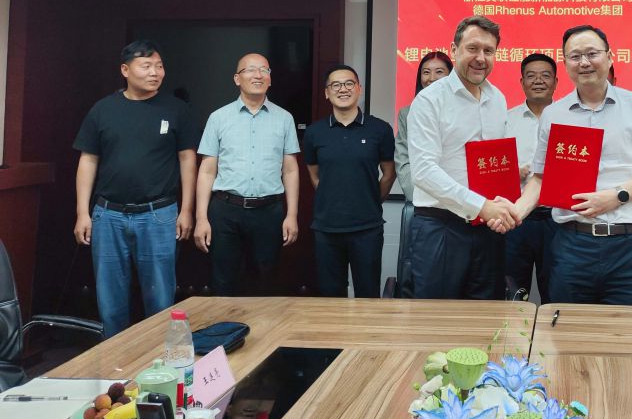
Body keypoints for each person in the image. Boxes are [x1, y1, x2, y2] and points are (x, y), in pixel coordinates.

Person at [500, 25, 632, 306]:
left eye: (592, 53)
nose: (584, 62)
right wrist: (515, 212)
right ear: (566, 63)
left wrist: (617, 195)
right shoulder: (554, 114)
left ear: (609, 56)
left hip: (629, 246)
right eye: (575, 56)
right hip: (573, 245)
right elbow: (541, 178)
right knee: (568, 328)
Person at [73, 40, 198, 337]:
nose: (155, 72)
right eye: (147, 66)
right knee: (110, 300)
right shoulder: (103, 110)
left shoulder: (176, 109)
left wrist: (187, 210)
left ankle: (159, 358)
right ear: (125, 70)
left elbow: (187, 159)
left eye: (159, 66)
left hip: (159, 214)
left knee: (160, 298)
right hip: (108, 214)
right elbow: (88, 160)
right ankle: (116, 360)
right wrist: (82, 213)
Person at [407, 15, 519, 299]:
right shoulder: (429, 100)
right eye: (473, 48)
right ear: (454, 50)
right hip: (441, 227)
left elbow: (492, 163)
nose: (481, 58)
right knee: (440, 316)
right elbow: (424, 172)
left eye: (488, 51)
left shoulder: (498, 99)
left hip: (488, 229)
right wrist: (482, 206)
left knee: (486, 314)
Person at [194, 53, 300, 296]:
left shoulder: (284, 119)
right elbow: (207, 170)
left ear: (270, 79)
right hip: (225, 211)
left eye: (264, 70)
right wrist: (201, 218)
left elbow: (290, 169)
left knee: (265, 282)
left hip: (269, 211)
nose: (258, 75)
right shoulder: (218, 118)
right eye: (251, 69)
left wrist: (292, 215)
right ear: (237, 78)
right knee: (223, 282)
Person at [302, 64, 395, 297]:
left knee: (368, 294)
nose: (342, 89)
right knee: (330, 297)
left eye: (348, 83)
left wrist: (371, 200)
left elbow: (389, 173)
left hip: (367, 228)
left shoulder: (380, 129)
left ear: (359, 88)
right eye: (335, 85)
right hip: (326, 228)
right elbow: (314, 174)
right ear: (327, 92)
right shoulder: (314, 132)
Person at [504, 52, 558, 302]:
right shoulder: (506, 120)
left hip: (557, 219)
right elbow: (489, 168)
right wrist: (511, 174)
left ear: (555, 82)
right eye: (531, 76)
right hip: (516, 218)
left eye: (545, 75)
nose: (538, 81)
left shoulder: (568, 118)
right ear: (522, 82)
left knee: (556, 289)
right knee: (514, 290)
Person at [395, 51, 452, 201]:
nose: (431, 78)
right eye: (426, 72)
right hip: (421, 198)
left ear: (451, 76)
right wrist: (417, 195)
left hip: (459, 198)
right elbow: (403, 159)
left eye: (439, 72)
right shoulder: (406, 113)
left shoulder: (464, 110)